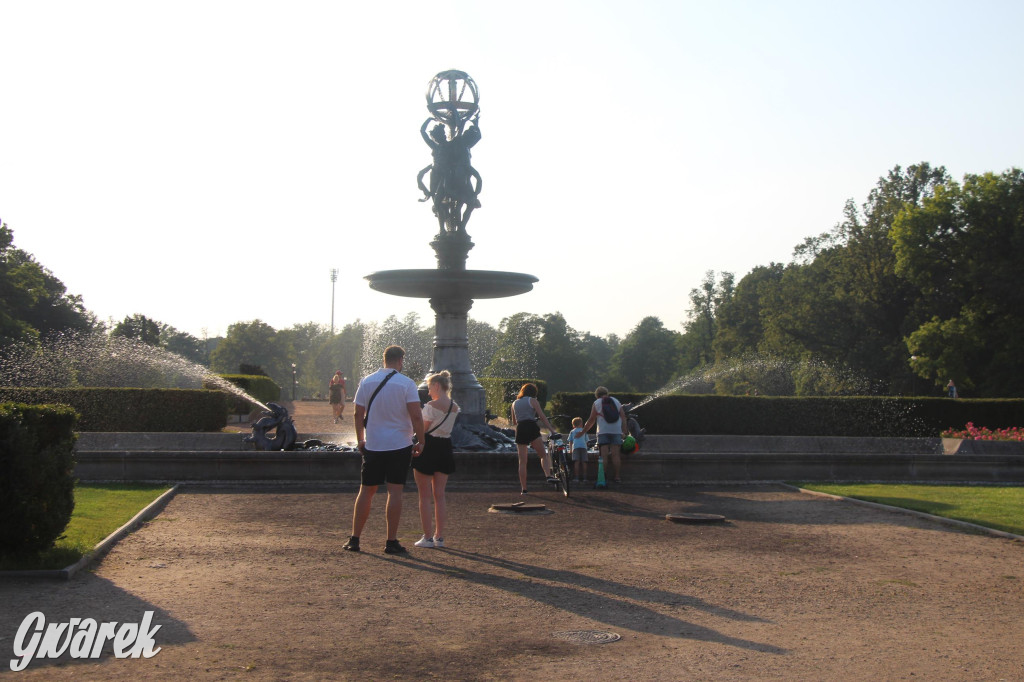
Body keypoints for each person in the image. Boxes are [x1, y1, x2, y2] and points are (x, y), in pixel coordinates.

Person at [344, 346, 425, 555]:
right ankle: (390, 541)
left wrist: (360, 439)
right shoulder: (406, 383)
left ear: (384, 359)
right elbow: (416, 415)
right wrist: (422, 441)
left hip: (374, 444)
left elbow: (357, 413)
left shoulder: (367, 381)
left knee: (366, 490)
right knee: (395, 491)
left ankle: (355, 538)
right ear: (400, 361)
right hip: (399, 444)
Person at [412, 370, 459, 549]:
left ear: (437, 386)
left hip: (429, 446)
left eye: (430, 387)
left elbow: (422, 430)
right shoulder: (455, 406)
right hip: (445, 447)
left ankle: (427, 537)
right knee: (440, 496)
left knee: (424, 496)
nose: (429, 391)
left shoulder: (431, 406)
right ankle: (440, 537)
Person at [509, 383, 558, 495]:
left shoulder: (514, 403)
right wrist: (551, 429)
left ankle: (524, 489)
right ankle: (548, 475)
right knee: (543, 455)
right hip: (531, 427)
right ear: (533, 392)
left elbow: (514, 422)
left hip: (520, 428)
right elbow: (542, 416)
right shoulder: (532, 401)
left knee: (522, 461)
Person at [577, 386, 629, 484]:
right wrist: (624, 431)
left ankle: (603, 477)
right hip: (616, 431)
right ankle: (617, 477)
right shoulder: (616, 401)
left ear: (597, 395)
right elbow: (623, 417)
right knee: (616, 455)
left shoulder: (596, 403)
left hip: (603, 431)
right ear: (607, 393)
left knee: (603, 455)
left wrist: (583, 431)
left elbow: (591, 420)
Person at [567, 417, 589, 483]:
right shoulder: (584, 431)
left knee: (576, 462)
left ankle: (576, 477)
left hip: (575, 447)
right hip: (583, 447)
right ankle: (585, 477)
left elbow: (570, 441)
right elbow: (587, 441)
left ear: (573, 425)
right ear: (581, 424)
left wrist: (570, 450)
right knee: (584, 462)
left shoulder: (572, 431)